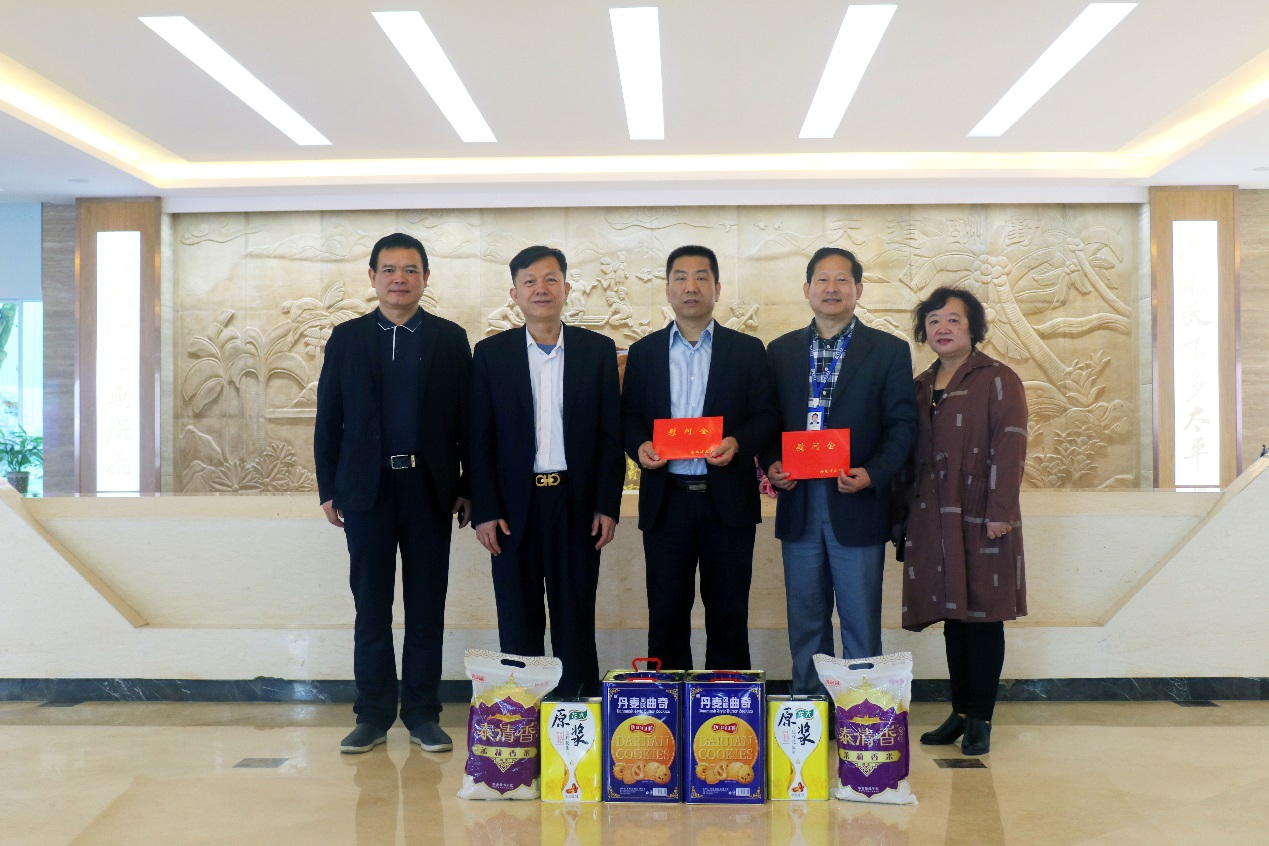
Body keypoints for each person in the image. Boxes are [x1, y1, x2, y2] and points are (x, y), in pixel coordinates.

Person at [314, 232, 471, 754]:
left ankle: (423, 714)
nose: (399, 279)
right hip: (367, 491)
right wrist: (329, 488)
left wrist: (467, 485)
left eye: (410, 270)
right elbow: (329, 419)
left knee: (427, 608)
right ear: (372, 277)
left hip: (429, 489)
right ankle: (373, 715)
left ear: (425, 277)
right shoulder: (348, 338)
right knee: (371, 608)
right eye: (389, 269)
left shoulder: (449, 338)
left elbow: (468, 422)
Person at [469, 245, 625, 697]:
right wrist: (485, 510)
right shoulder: (491, 354)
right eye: (530, 281)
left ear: (567, 289)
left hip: (576, 504)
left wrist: (606, 504)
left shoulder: (596, 351)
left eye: (551, 279)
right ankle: (523, 717)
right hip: (512, 508)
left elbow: (610, 437)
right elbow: (478, 439)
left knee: (575, 617)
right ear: (514, 294)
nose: (541, 289)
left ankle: (575, 711)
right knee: (518, 620)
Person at [763, 247, 917, 696]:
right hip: (800, 503)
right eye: (822, 280)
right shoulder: (781, 351)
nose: (832, 288)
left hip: (856, 501)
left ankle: (861, 712)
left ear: (859, 289)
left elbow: (903, 425)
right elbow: (768, 421)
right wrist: (771, 462)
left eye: (842, 280)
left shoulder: (888, 351)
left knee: (860, 621)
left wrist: (873, 472)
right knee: (805, 619)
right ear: (807, 289)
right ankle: (810, 709)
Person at [621, 245, 777, 670]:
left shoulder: (747, 350)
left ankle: (725, 705)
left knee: (729, 614)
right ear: (668, 290)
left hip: (727, 500)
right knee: (666, 613)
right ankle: (668, 706)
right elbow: (628, 416)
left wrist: (738, 443)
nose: (691, 286)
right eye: (681, 277)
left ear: (717, 289)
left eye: (701, 277)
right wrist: (639, 446)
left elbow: (766, 415)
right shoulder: (645, 352)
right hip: (667, 499)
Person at [902, 286, 1028, 756]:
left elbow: (1011, 444)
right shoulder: (919, 385)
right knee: (953, 617)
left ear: (972, 327)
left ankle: (981, 718)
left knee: (983, 617)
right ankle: (959, 711)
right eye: (934, 321)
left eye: (953, 319)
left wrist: (1000, 512)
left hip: (981, 514)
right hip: (932, 516)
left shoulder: (998, 378)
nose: (943, 328)